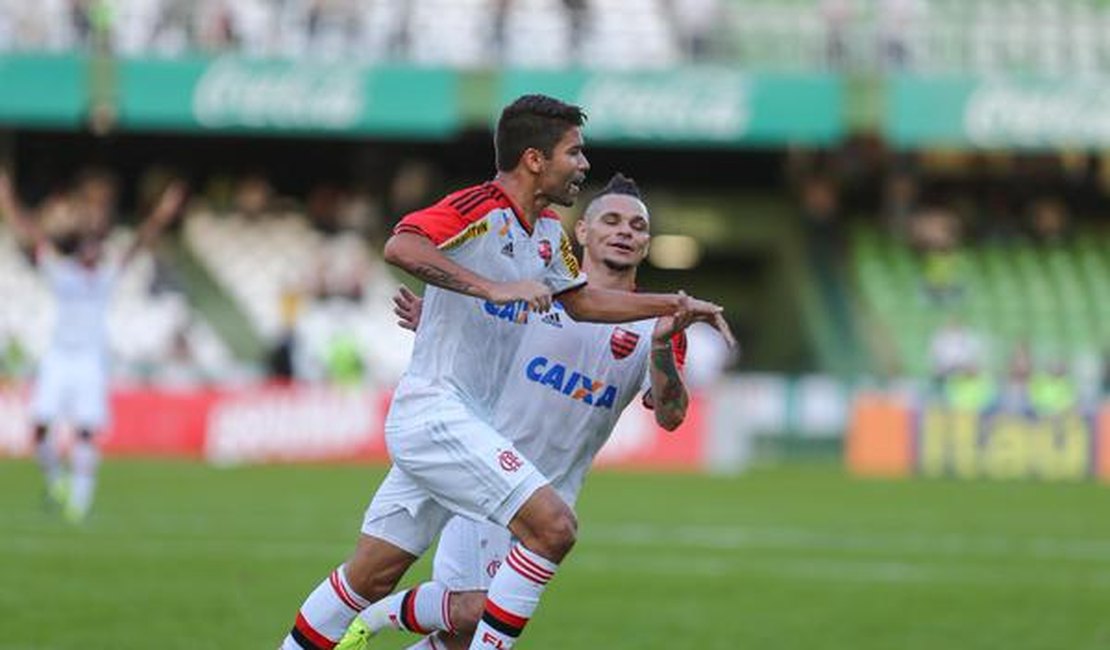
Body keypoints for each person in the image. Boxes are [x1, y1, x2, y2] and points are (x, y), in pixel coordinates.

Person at [278, 94, 734, 650]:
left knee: (368, 578)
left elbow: (581, 303)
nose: (583, 164)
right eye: (574, 152)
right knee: (553, 530)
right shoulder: (482, 206)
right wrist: (489, 287)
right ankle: (386, 620)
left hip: (464, 426)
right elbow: (401, 244)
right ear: (536, 159)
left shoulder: (545, 234)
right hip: (438, 415)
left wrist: (676, 305)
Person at [337, 172, 695, 649]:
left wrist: (663, 348)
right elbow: (481, 337)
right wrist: (437, 322)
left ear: (647, 243)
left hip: (554, 496)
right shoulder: (542, 291)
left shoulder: (659, 323)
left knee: (462, 635)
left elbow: (670, 415)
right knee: (474, 610)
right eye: (611, 220)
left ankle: (370, 623)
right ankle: (373, 618)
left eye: (636, 226)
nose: (625, 231)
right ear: (583, 232)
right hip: (492, 473)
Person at [0, 170, 187, 522]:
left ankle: (80, 501)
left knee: (86, 430)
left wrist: (163, 211)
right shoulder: (61, 273)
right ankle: (57, 482)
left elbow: (141, 240)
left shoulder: (106, 277)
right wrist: (6, 198)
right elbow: (27, 234)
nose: (91, 252)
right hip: (59, 356)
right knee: (40, 425)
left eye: (95, 248)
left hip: (89, 360)